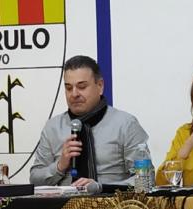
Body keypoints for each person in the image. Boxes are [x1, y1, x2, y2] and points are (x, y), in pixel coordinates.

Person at [30, 55, 149, 188]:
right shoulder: (53, 127)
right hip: (63, 207)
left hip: (114, 205)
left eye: (82, 86)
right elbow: (35, 180)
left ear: (100, 86)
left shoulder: (125, 124)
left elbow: (145, 180)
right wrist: (59, 166)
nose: (74, 94)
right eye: (69, 88)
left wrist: (102, 188)